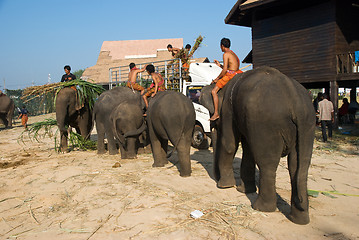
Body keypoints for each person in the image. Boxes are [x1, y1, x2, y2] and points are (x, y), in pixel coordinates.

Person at [209, 38, 242, 121]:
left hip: (230, 75)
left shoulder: (226, 54)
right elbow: (231, 67)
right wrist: (220, 65)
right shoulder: (233, 54)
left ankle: (216, 113)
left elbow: (225, 71)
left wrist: (216, 79)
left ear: (222, 46)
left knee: (213, 91)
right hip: (237, 73)